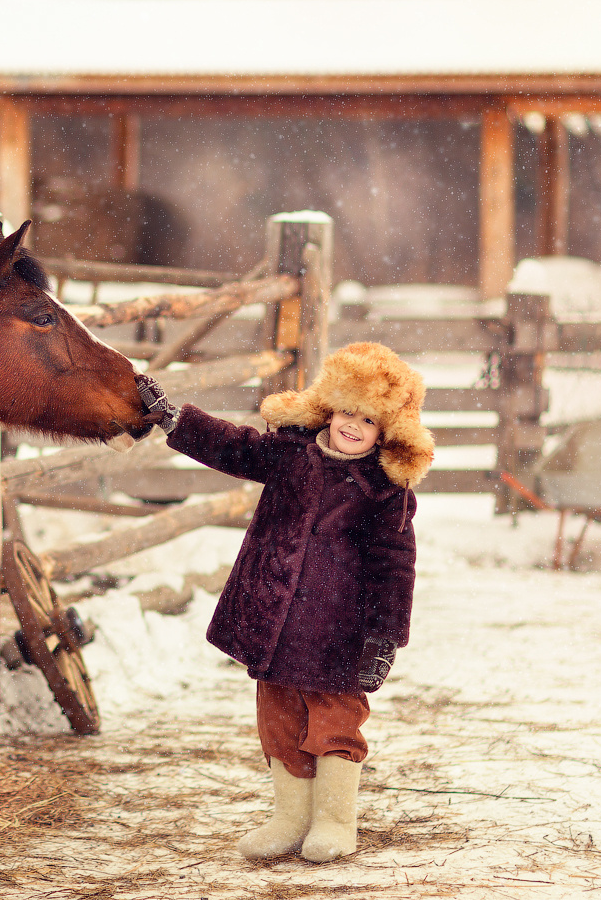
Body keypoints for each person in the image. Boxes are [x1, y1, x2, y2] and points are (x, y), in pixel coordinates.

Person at [135, 342, 434, 863]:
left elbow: (395, 567)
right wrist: (175, 420)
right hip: (272, 616)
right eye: (347, 410)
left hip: (340, 629)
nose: (353, 426)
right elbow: (234, 446)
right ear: (329, 406)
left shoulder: (385, 490)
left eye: (368, 419)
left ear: (386, 430)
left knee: (334, 721)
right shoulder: (292, 452)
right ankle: (290, 817)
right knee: (277, 718)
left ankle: (335, 821)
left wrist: (385, 638)